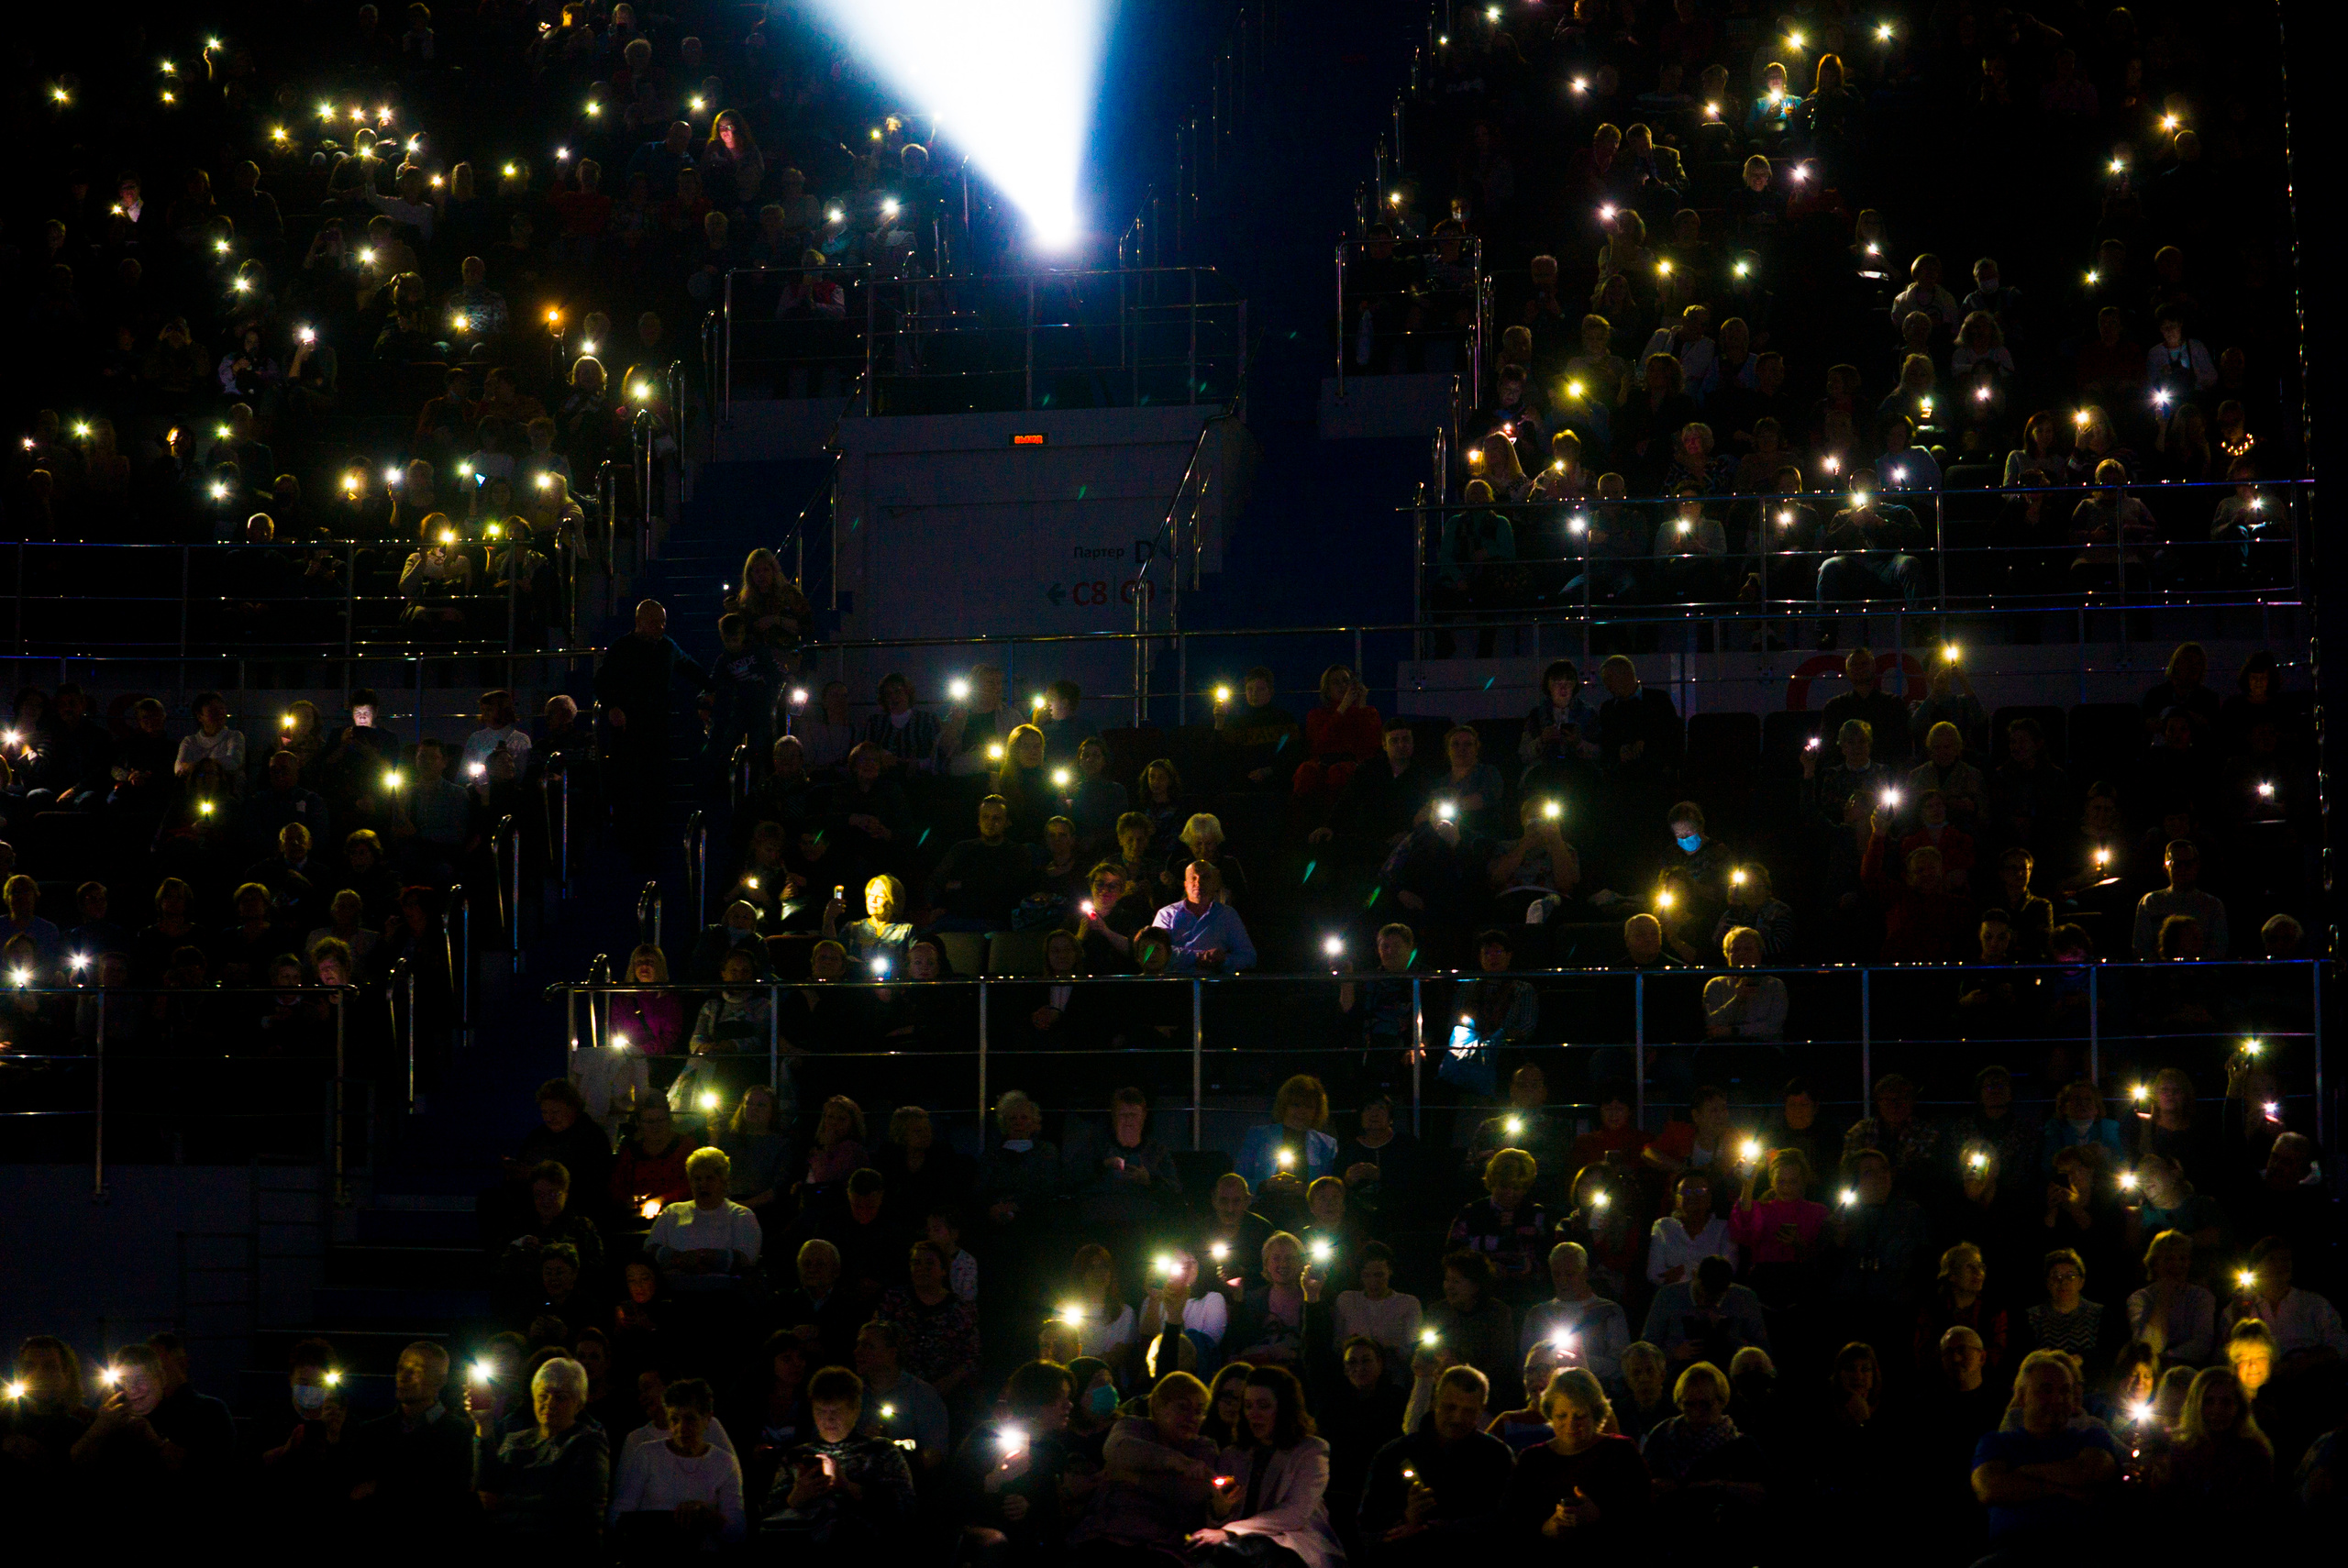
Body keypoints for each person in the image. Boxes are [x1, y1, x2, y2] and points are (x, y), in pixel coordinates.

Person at [1970, 1351, 2122, 1556]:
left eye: (2065, 1391)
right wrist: (2064, 1490)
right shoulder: (1996, 1443)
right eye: (2046, 1390)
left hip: (2081, 1552)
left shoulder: (2093, 1437)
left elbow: (2091, 1471)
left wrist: (2023, 1472)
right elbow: (1989, 1488)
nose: (2057, 1399)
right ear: (2023, 1397)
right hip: (2011, 1554)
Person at [1358, 1364, 1513, 1565]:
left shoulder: (1496, 1457)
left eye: (1468, 1411)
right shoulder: (1394, 1454)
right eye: (1450, 1407)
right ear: (1434, 1402)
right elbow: (1367, 1524)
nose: (1457, 1418)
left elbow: (1504, 1520)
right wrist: (1405, 1517)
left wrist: (1429, 1527)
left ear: (1481, 1410)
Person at [1192, 1364, 1342, 1568]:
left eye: (1263, 1406)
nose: (1254, 1413)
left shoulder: (1310, 1451)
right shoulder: (1233, 1455)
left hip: (1292, 1543)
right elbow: (1220, 1516)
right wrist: (1220, 1510)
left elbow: (1295, 1513)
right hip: (1240, 1546)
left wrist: (1230, 1530)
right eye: (1248, 1406)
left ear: (1283, 1408)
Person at [759, 1365, 916, 1552]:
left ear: (855, 1410)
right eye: (821, 1412)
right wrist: (794, 1498)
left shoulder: (880, 1451)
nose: (828, 1420)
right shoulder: (796, 1456)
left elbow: (905, 1510)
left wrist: (851, 1488)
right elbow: (767, 1516)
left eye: (836, 1412)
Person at [1499, 1368, 1648, 1547]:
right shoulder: (1532, 1459)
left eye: (1580, 1416)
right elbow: (1510, 1519)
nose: (1571, 1425)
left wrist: (1599, 1515)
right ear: (1550, 1414)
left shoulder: (1620, 1451)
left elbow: (1645, 1514)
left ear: (1595, 1414)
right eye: (1562, 1416)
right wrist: (1545, 1528)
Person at [471, 1357, 610, 1547]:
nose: (550, 1403)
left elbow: (572, 1498)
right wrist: (483, 1425)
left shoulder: (588, 1442)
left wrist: (507, 1502)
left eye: (561, 1397)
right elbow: (487, 1488)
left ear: (578, 1403)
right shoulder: (516, 1439)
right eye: (544, 1395)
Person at [607, 1375, 747, 1550]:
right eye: (674, 1419)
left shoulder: (724, 1463)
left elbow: (738, 1532)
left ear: (707, 1419)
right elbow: (618, 1514)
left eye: (690, 1419)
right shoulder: (646, 1454)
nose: (681, 1428)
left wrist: (707, 1516)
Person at [648, 1146, 761, 1293]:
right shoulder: (672, 1212)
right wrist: (680, 1259)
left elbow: (747, 1259)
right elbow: (650, 1250)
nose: (702, 1184)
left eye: (709, 1178)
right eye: (697, 1179)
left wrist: (703, 1257)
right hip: (674, 1294)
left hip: (725, 1296)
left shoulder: (741, 1216)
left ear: (723, 1182)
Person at [1517, 1242, 1630, 1381]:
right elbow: (1525, 1363)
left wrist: (1581, 1363)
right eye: (1557, 1274)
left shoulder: (1608, 1311)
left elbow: (1622, 1365)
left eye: (1570, 1274)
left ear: (1585, 1273)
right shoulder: (1538, 1314)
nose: (1562, 1280)